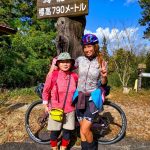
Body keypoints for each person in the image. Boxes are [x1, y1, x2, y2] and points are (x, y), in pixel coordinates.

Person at [72, 33, 108, 150]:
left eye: (90, 46)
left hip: (93, 97)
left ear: (95, 46)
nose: (87, 49)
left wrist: (103, 76)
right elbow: (67, 68)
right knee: (82, 129)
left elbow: (103, 83)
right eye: (85, 47)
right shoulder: (79, 60)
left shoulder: (101, 61)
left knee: (85, 129)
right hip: (80, 96)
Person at [42, 52, 78, 150]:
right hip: (55, 109)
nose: (65, 64)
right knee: (54, 132)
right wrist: (45, 105)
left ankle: (63, 147)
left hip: (70, 109)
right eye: (62, 62)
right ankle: (54, 148)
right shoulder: (53, 75)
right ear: (58, 64)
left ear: (71, 64)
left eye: (67, 62)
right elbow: (46, 90)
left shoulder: (74, 76)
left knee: (67, 132)